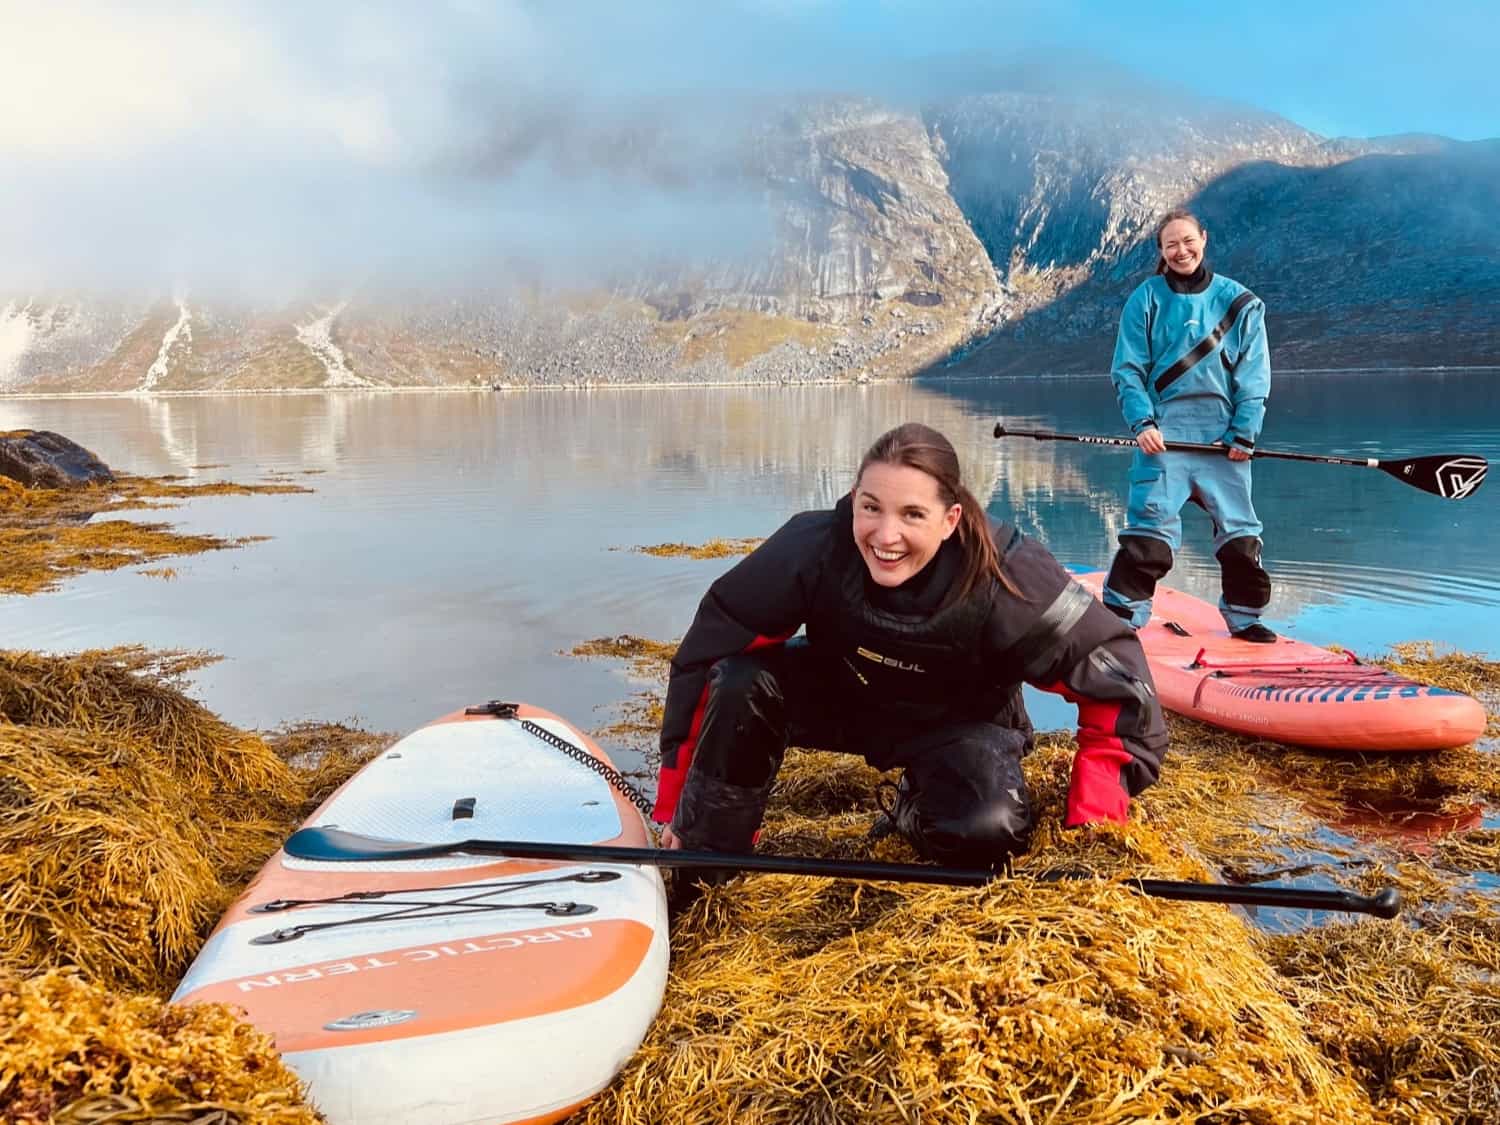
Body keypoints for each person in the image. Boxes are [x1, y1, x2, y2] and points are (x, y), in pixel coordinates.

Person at [652, 422, 1168, 872]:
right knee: (741, 680)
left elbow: (1119, 682)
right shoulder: (811, 548)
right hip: (843, 694)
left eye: (912, 515)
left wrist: (1093, 822)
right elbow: (710, 651)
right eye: (871, 507)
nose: (886, 534)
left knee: (989, 833)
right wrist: (679, 806)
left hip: (960, 721)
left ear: (950, 520)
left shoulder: (1009, 580)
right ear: (853, 498)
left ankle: (911, 805)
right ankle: (708, 854)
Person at [1101, 210, 1276, 642]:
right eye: (1170, 245)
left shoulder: (1242, 303)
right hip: (1162, 441)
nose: (1181, 251)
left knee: (1240, 540)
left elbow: (1254, 376)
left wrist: (1244, 433)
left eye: (1187, 241)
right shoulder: (1145, 299)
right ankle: (1119, 623)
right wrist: (1141, 422)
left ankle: (1245, 620)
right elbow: (1127, 369)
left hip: (1224, 444)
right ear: (1161, 252)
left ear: (1204, 238)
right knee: (1148, 540)